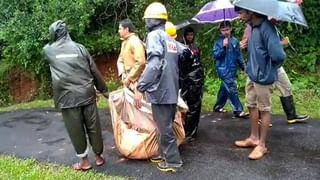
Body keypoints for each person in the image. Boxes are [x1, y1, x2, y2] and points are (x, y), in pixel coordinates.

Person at [43, 20, 108, 170]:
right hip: (86, 93)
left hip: (67, 97)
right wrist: (103, 89)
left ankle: (84, 162)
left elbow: (48, 48)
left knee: (75, 129)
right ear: (67, 32)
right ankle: (98, 157)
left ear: (53, 33)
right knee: (93, 126)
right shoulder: (80, 48)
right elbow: (93, 69)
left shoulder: (49, 50)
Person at [133, 2, 183, 172]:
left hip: (161, 91)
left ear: (152, 20)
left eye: (146, 20)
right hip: (171, 89)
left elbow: (154, 64)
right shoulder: (170, 39)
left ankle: (173, 161)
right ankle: (163, 154)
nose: (145, 23)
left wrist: (140, 87)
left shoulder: (154, 36)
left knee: (164, 128)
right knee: (165, 125)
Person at [234, 7, 286, 160]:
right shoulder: (253, 28)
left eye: (241, 13)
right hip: (252, 75)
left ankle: (262, 145)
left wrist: (267, 70)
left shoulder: (267, 28)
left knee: (264, 109)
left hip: (263, 77)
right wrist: (245, 48)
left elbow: (278, 55)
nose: (239, 17)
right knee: (251, 105)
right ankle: (253, 138)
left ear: (251, 12)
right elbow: (257, 50)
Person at [240, 24, 308, 124]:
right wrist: (282, 43)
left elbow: (274, 46)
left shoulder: (273, 27)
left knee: (286, 86)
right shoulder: (252, 27)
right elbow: (257, 47)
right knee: (258, 92)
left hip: (275, 65)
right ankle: (260, 118)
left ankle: (291, 115)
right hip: (261, 66)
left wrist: (281, 42)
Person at [165, 21, 204, 142]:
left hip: (193, 79)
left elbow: (180, 69)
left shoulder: (179, 49)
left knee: (192, 106)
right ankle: (186, 131)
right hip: (189, 77)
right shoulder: (176, 46)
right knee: (186, 104)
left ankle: (190, 134)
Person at [212, 21, 248, 118]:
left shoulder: (234, 41)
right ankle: (238, 110)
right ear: (220, 31)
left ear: (230, 29)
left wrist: (243, 67)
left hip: (232, 69)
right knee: (232, 88)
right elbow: (215, 55)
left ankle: (218, 106)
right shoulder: (218, 41)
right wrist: (223, 47)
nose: (226, 32)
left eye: (227, 29)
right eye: (223, 30)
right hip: (223, 69)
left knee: (224, 89)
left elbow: (238, 56)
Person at [117, 19, 146, 89]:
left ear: (126, 29)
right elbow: (120, 60)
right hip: (127, 78)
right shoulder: (124, 43)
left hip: (137, 79)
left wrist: (130, 77)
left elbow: (141, 62)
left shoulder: (135, 41)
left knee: (138, 99)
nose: (119, 31)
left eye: (120, 29)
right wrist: (122, 73)